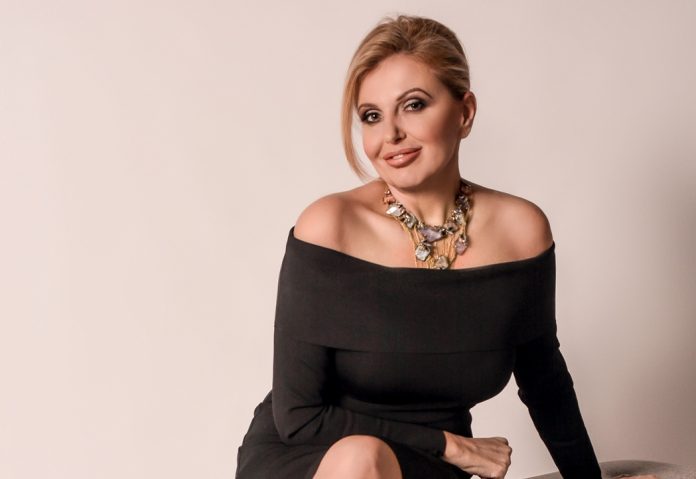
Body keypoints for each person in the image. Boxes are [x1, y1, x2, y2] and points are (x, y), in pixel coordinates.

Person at [236, 14, 649, 479]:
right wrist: (449, 445)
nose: (390, 135)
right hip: (313, 455)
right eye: (371, 116)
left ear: (465, 112)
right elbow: (298, 417)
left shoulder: (520, 232)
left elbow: (544, 381)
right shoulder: (329, 227)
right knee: (360, 459)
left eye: (413, 105)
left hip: (429, 466)